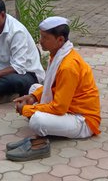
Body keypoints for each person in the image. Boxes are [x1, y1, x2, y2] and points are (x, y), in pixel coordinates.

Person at [8, 17, 101, 162]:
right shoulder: (58, 54)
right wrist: (32, 98)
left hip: (82, 120)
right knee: (34, 88)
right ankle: (47, 125)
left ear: (60, 40)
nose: (41, 41)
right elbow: (50, 87)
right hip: (68, 107)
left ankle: (42, 140)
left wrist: (27, 110)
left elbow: (59, 108)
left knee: (37, 121)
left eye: (45, 38)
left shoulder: (68, 66)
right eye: (41, 36)